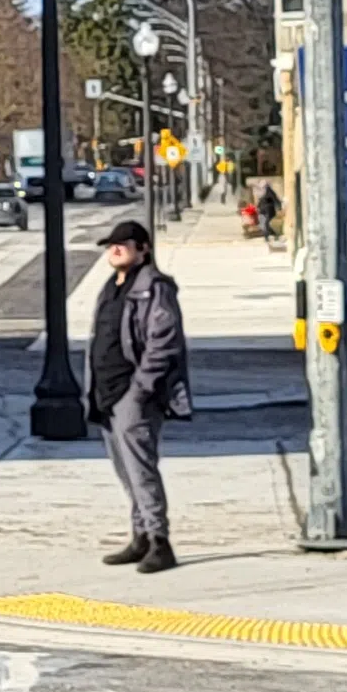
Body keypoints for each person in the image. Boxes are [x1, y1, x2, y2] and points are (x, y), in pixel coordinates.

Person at [89, 216, 192, 572]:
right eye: (110, 245)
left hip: (132, 395)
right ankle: (141, 537)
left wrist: (140, 389)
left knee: (142, 470)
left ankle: (160, 542)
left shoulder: (154, 287)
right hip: (106, 395)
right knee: (126, 472)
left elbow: (163, 342)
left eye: (123, 243)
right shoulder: (112, 286)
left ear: (143, 249)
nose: (114, 249)